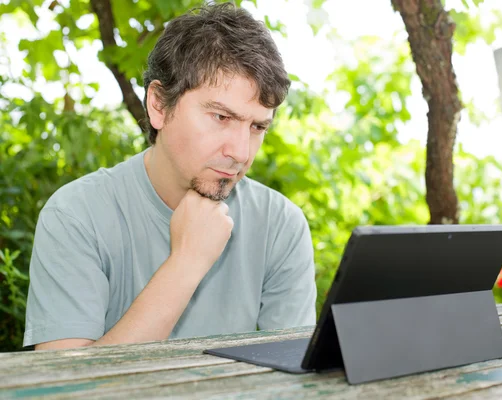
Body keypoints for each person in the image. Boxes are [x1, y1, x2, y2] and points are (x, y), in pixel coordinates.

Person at [23, 3, 317, 350]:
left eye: (256, 126)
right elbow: (63, 386)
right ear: (159, 105)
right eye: (221, 117)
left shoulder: (280, 225)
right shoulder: (75, 215)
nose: (240, 152)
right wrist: (187, 262)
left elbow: (288, 378)